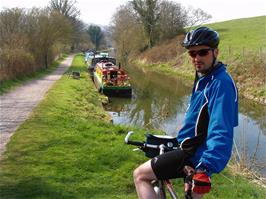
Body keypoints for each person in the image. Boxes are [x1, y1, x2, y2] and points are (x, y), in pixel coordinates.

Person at [133, 27, 239, 199]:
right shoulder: (205, 78)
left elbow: (222, 130)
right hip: (190, 148)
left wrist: (205, 167)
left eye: (203, 52)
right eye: (192, 54)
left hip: (196, 155)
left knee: (140, 175)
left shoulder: (220, 84)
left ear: (216, 52)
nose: (196, 58)